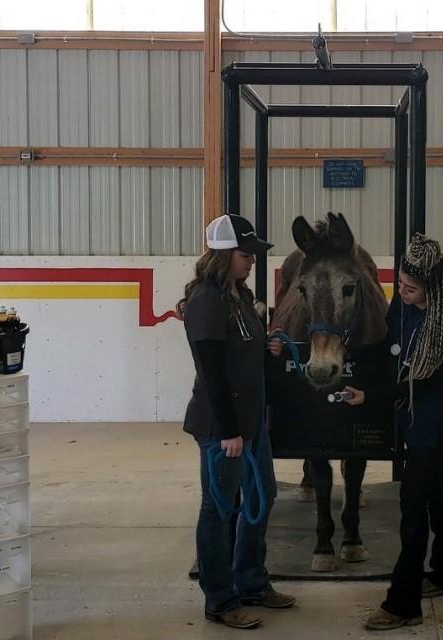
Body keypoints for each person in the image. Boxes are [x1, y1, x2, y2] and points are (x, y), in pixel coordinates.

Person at [340, 233, 443, 631]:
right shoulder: (403, 307)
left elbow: (416, 385)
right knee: (436, 492)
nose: (402, 293)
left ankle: (403, 603)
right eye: (400, 284)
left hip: (433, 424)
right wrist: (347, 351)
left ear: (432, 288)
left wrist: (367, 397)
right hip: (414, 417)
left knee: (413, 504)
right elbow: (387, 345)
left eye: (411, 288)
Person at [177, 214, 297, 631]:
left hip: (251, 425)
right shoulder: (207, 301)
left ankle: (250, 580)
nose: (252, 262)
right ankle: (220, 598)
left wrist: (270, 348)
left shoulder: (240, 297)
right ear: (224, 255)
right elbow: (212, 370)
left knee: (262, 500)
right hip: (222, 427)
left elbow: (244, 354)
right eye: (246, 255)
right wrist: (229, 431)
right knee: (219, 510)